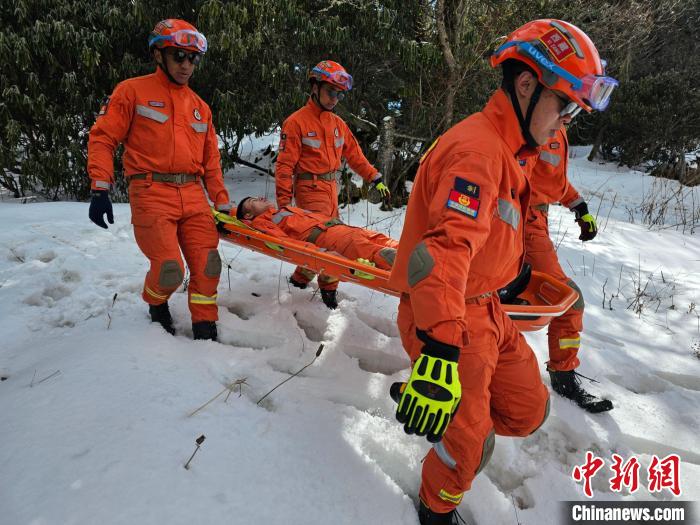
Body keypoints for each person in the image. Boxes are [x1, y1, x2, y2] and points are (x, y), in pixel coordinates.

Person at [387, 20, 617, 524]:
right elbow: (444, 254)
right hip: (449, 317)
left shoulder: (514, 149)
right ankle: (435, 507)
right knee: (470, 445)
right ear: (527, 85)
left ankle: (455, 416)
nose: (565, 123)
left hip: (487, 307)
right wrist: (441, 350)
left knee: (527, 409)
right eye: (564, 106)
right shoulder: (478, 153)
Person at [87, 19, 231, 341]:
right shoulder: (132, 91)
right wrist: (100, 187)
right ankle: (156, 303)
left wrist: (222, 201)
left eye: (193, 58)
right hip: (151, 191)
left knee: (209, 264)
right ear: (158, 55)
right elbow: (103, 138)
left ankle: (205, 327)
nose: (186, 65)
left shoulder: (200, 107)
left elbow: (211, 162)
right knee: (169, 269)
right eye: (179, 55)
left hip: (193, 193)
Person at [275, 60, 390, 309]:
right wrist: (284, 206)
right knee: (330, 242)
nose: (335, 99)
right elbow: (284, 167)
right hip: (309, 191)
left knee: (319, 242)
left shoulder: (337, 124)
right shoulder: (296, 122)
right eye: (331, 92)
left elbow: (355, 156)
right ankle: (328, 291)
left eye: (339, 94)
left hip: (331, 191)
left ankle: (299, 281)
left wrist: (374, 177)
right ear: (315, 87)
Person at [527, 128, 613, 413]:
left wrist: (579, 206)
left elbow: (551, 179)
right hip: (521, 223)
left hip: (536, 219)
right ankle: (562, 378)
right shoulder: (534, 119)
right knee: (569, 300)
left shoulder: (556, 124)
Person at [234, 196, 397, 271]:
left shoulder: (281, 211)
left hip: (347, 230)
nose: (260, 198)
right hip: (334, 240)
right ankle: (407, 270)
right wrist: (322, 253)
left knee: (392, 244)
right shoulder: (262, 222)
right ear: (248, 215)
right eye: (253, 201)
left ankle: (410, 256)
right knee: (382, 255)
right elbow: (286, 244)